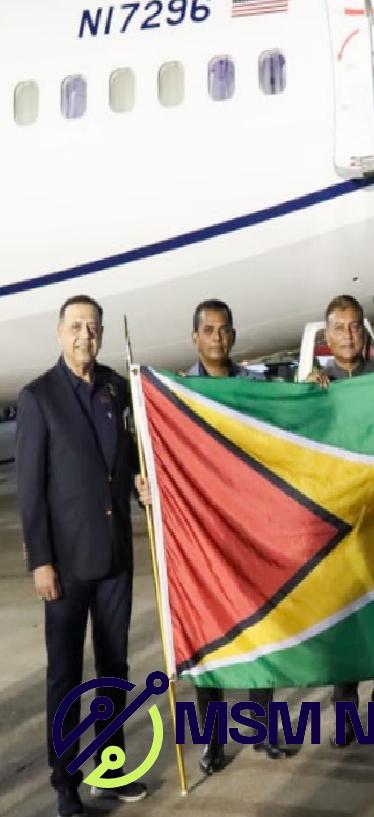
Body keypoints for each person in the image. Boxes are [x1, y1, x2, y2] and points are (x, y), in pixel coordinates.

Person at [17, 295, 150, 816]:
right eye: (76, 327)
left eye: (92, 327)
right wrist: (40, 561)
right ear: (59, 333)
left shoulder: (115, 387)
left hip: (115, 557)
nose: (85, 336)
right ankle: (65, 784)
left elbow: (127, 454)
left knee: (114, 669)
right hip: (66, 566)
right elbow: (31, 491)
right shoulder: (39, 398)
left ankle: (109, 771)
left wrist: (139, 479)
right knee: (66, 676)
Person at [182, 300, 285, 771]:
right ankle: (212, 739)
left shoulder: (254, 387)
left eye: (224, 329)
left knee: (260, 628)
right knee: (210, 636)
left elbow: (282, 431)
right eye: (208, 330)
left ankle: (262, 727)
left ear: (234, 335)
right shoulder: (179, 393)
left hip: (250, 528)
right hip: (204, 534)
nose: (217, 337)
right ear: (195, 338)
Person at [306, 296, 374, 745]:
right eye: (340, 328)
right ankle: (345, 712)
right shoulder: (314, 388)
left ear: (366, 332)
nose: (348, 335)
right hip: (335, 523)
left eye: (356, 326)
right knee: (344, 620)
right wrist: (305, 395)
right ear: (327, 336)